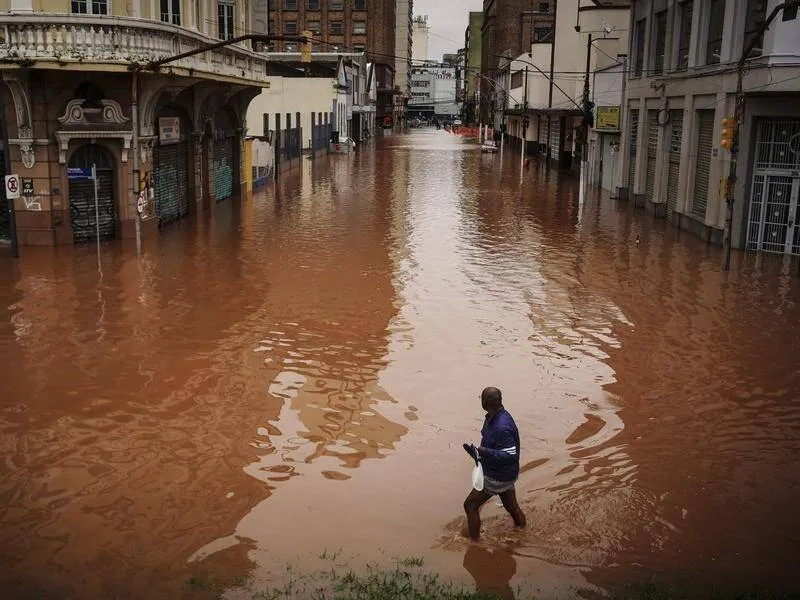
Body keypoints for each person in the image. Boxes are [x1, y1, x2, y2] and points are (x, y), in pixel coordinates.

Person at [463, 387, 526, 540]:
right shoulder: (493, 417)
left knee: (470, 505)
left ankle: (474, 544)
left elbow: (510, 455)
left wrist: (484, 452)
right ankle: (522, 530)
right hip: (505, 473)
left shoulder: (502, 426)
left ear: (484, 402)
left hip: (498, 476)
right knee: (511, 506)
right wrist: (477, 454)